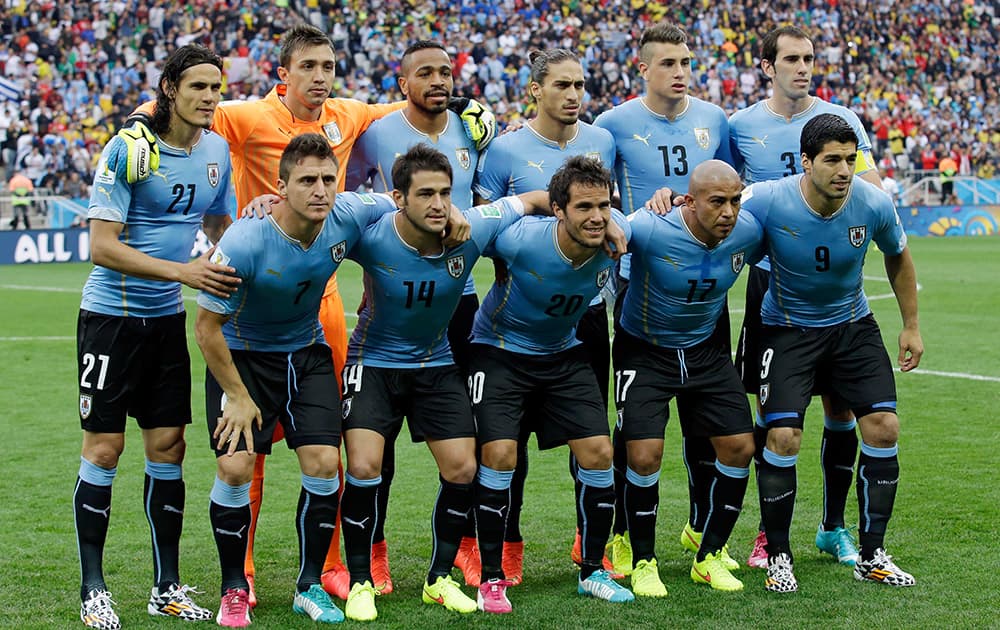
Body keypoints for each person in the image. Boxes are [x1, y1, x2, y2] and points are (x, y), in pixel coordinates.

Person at [117, 24, 495, 603]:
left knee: (336, 442)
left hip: (323, 307)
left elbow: (414, 99)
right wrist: (138, 126)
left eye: (329, 66)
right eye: (310, 68)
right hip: (255, 293)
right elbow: (181, 104)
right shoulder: (244, 116)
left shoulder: (347, 113)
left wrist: (466, 103)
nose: (321, 78)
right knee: (250, 451)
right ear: (282, 75)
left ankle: (341, 564)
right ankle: (238, 571)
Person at [194, 134, 406, 627]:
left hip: (306, 355)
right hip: (243, 361)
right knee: (235, 470)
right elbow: (205, 329)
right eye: (307, 180)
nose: (320, 190)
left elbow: (397, 199)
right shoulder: (244, 241)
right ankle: (233, 588)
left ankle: (308, 585)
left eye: (328, 179)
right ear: (280, 186)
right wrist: (238, 397)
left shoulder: (347, 214)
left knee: (324, 464)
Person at [338, 144, 548, 621]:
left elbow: (534, 198)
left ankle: (438, 579)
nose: (438, 204)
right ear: (399, 197)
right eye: (426, 194)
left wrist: (609, 219)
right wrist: (263, 203)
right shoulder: (371, 236)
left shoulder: (472, 229)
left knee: (461, 470)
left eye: (445, 193)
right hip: (372, 364)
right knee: (366, 467)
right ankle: (360, 582)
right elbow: (310, 222)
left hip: (436, 364)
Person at [74, 44, 237, 630]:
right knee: (104, 450)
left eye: (216, 88)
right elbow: (101, 246)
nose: (210, 98)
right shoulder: (126, 150)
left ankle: (165, 587)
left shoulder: (216, 148)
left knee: (169, 449)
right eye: (198, 87)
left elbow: (221, 218)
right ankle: (94, 589)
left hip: (167, 321)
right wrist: (184, 272)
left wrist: (229, 244)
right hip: (111, 320)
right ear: (169, 88)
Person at [741, 113, 921, 593]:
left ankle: (872, 553)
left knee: (884, 427)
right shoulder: (767, 198)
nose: (844, 170)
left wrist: (911, 326)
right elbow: (714, 216)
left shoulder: (873, 203)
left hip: (851, 326)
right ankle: (778, 555)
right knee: (782, 438)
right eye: (832, 160)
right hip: (786, 329)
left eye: (850, 158)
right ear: (805, 162)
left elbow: (899, 255)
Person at [728, 25, 885, 570]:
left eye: (810, 58)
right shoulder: (739, 126)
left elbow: (872, 187)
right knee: (774, 418)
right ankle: (766, 535)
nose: (804, 67)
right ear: (767, 66)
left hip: (833, 288)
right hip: (770, 283)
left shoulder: (843, 122)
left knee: (842, 407)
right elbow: (723, 190)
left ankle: (833, 526)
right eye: (792, 58)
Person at [342, 41, 486, 594]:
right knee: (372, 451)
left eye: (445, 72)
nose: (437, 80)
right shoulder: (377, 130)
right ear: (403, 82)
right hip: (392, 294)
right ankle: (371, 557)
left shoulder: (475, 128)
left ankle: (465, 555)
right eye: (424, 72)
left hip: (459, 300)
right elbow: (348, 187)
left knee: (472, 445)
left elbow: (502, 197)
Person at [593, 22, 737, 578]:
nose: (680, 73)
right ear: (643, 69)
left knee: (708, 415)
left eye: (686, 62)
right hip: (639, 275)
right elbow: (597, 194)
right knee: (638, 424)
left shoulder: (712, 119)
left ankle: (703, 528)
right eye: (669, 64)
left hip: (701, 281)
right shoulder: (614, 125)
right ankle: (627, 536)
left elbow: (722, 185)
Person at [473, 48, 617, 584]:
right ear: (535, 89)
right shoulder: (507, 149)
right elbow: (484, 225)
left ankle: (590, 547)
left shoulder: (601, 140)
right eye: (562, 85)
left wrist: (614, 223)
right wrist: (540, 233)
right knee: (510, 443)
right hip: (518, 306)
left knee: (591, 438)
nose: (574, 95)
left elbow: (608, 202)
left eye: (580, 84)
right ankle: (507, 543)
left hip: (584, 316)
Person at [471, 155, 633, 613]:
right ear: (558, 210)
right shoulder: (520, 239)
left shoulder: (616, 233)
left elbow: (658, 219)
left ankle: (592, 570)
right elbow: (465, 229)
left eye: (603, 206)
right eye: (583, 207)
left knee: (599, 453)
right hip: (500, 350)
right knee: (500, 455)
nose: (596, 216)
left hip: (564, 352)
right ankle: (490, 578)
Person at [614, 160, 761, 596]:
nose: (729, 212)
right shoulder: (652, 228)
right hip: (644, 348)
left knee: (740, 446)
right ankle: (642, 560)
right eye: (717, 202)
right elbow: (607, 228)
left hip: (706, 350)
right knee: (643, 455)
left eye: (735, 201)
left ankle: (709, 554)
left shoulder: (749, 231)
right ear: (689, 201)